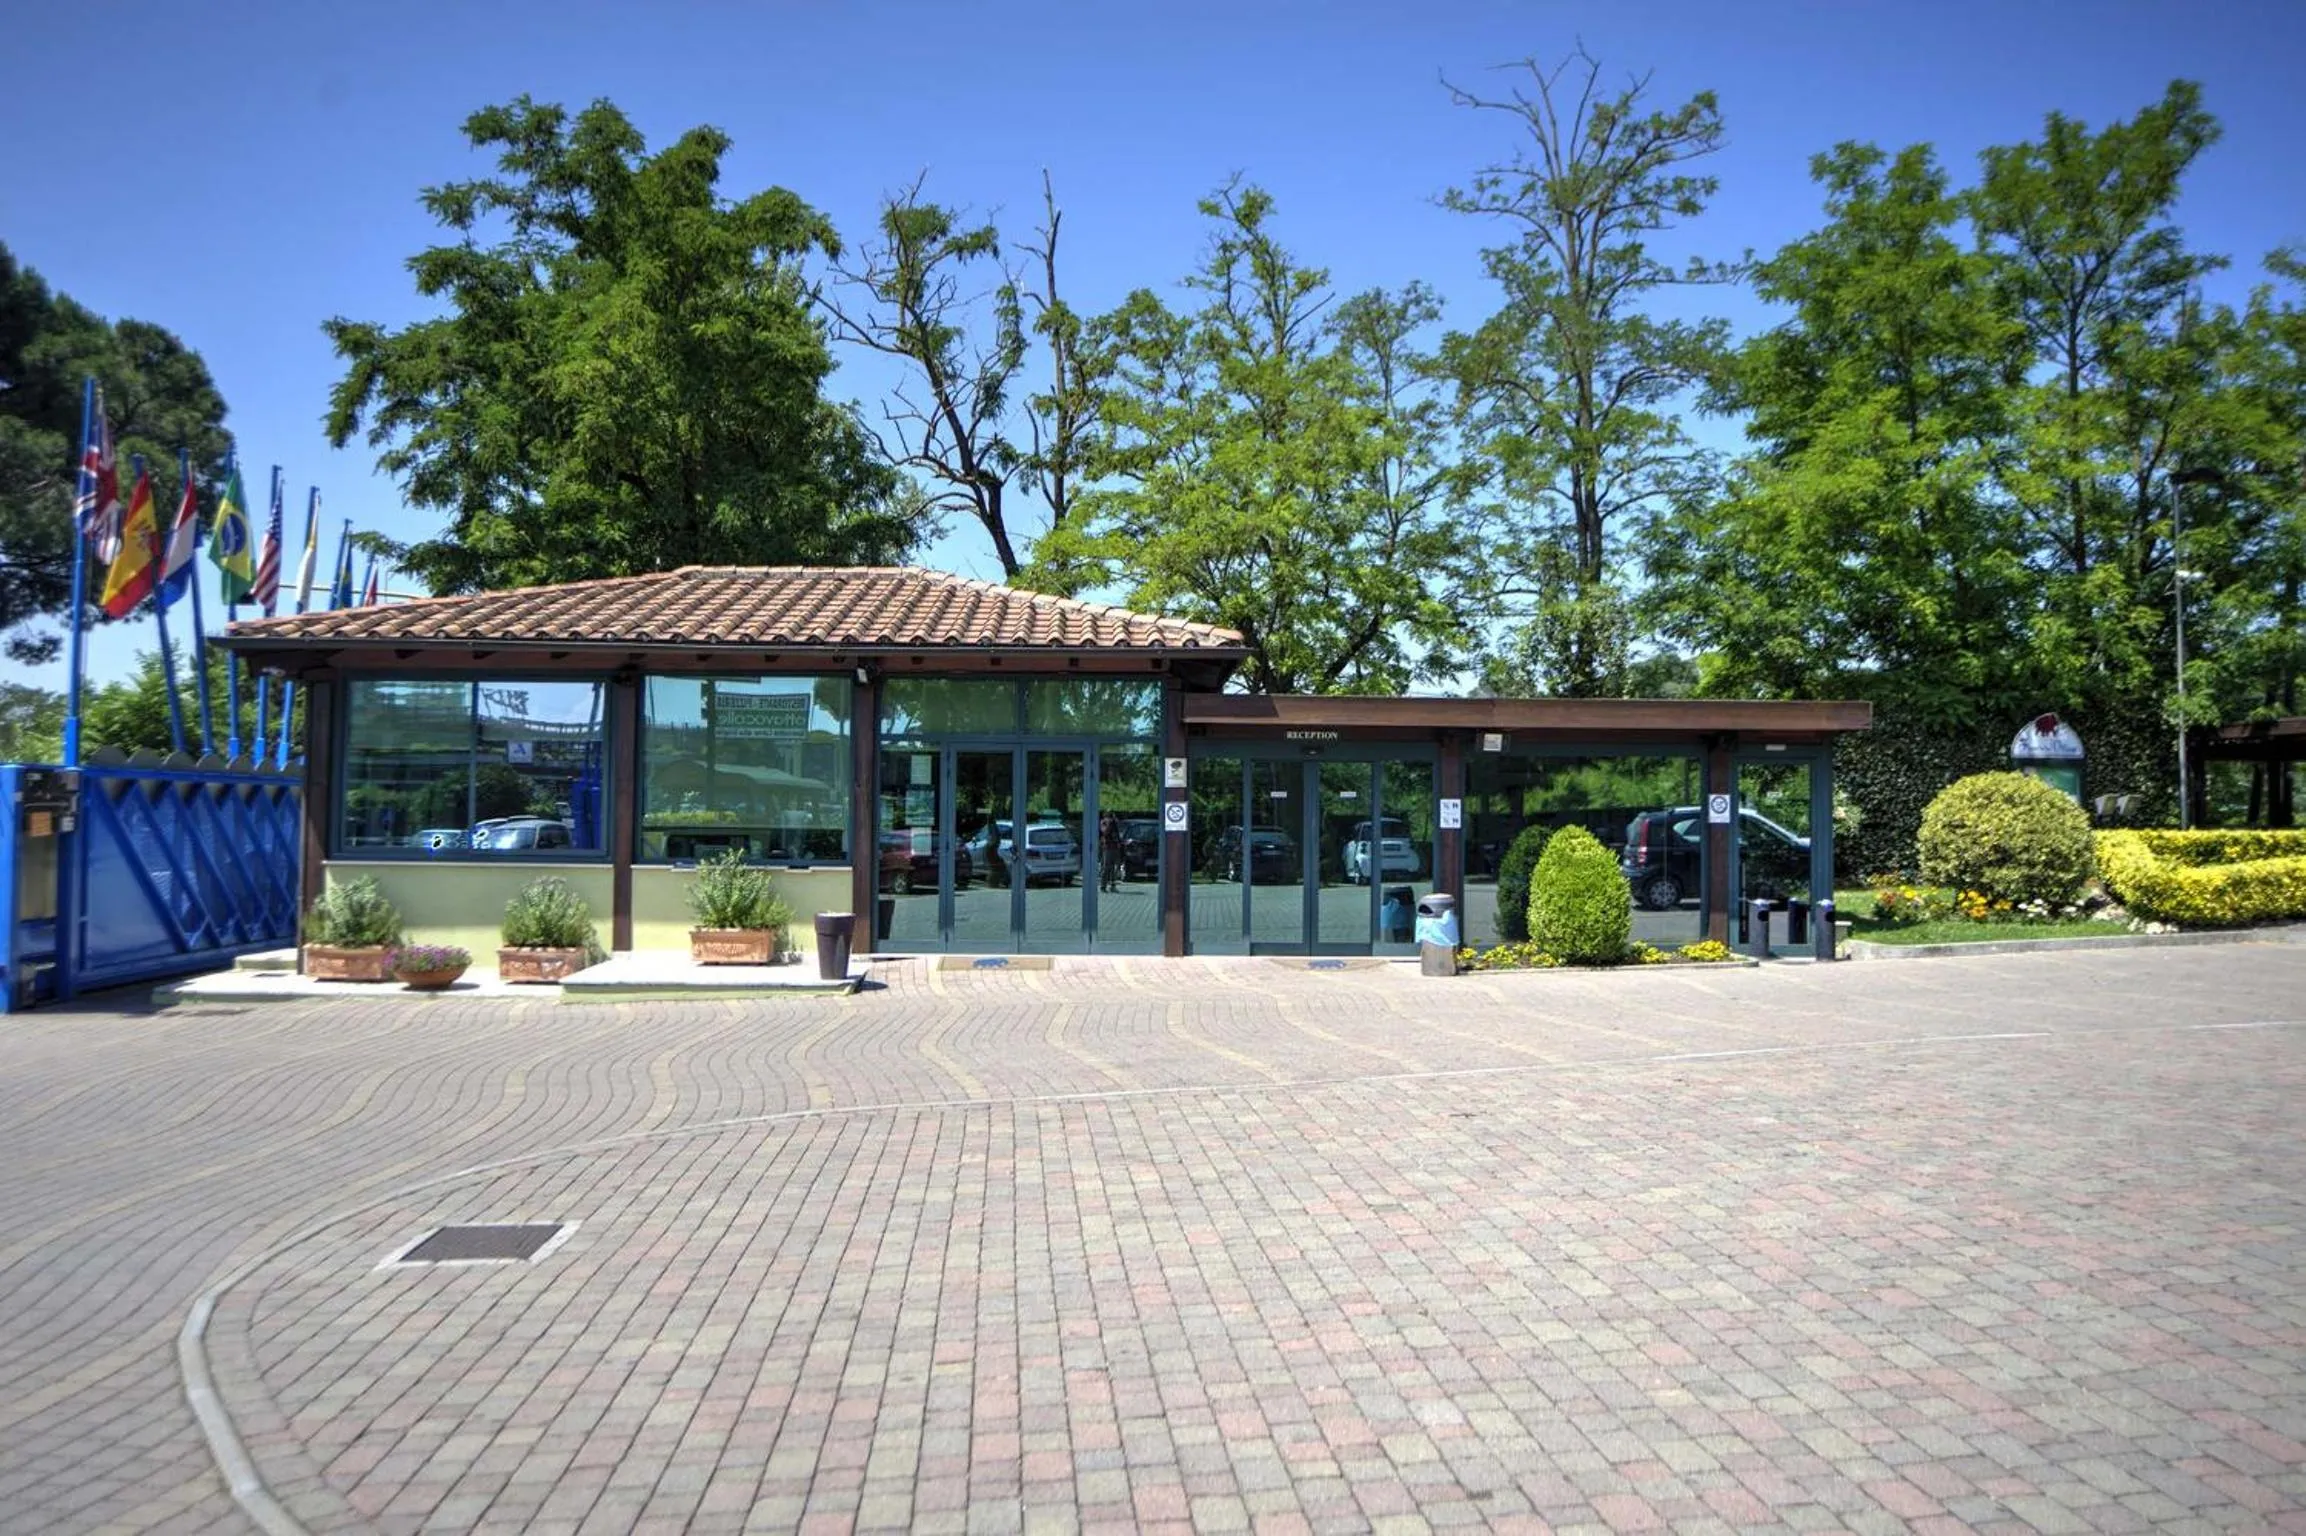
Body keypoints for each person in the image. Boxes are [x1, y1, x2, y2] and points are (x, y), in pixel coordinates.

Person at [1099, 812, 1123, 892]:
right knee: (1106, 867)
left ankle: (1113, 885)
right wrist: (1109, 823)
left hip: (1115, 847)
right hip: (1107, 848)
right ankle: (1103, 886)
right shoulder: (1104, 823)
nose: (1111, 818)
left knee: (1114, 867)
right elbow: (1105, 832)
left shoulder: (1114, 824)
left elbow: (1117, 835)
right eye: (1109, 816)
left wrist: (1119, 843)